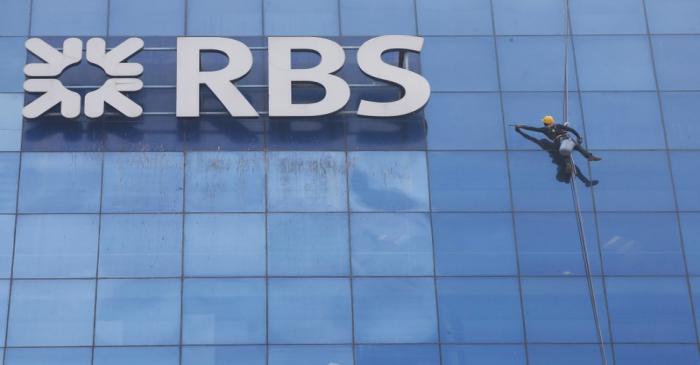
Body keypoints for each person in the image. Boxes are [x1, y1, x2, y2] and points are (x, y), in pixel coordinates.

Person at [515, 115, 602, 162]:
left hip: (557, 142)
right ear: (552, 122)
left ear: (544, 123)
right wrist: (578, 136)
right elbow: (571, 130)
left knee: (565, 151)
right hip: (566, 139)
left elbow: (532, 129)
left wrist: (521, 127)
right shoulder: (558, 126)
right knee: (577, 147)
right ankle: (589, 156)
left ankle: (568, 164)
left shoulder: (543, 129)